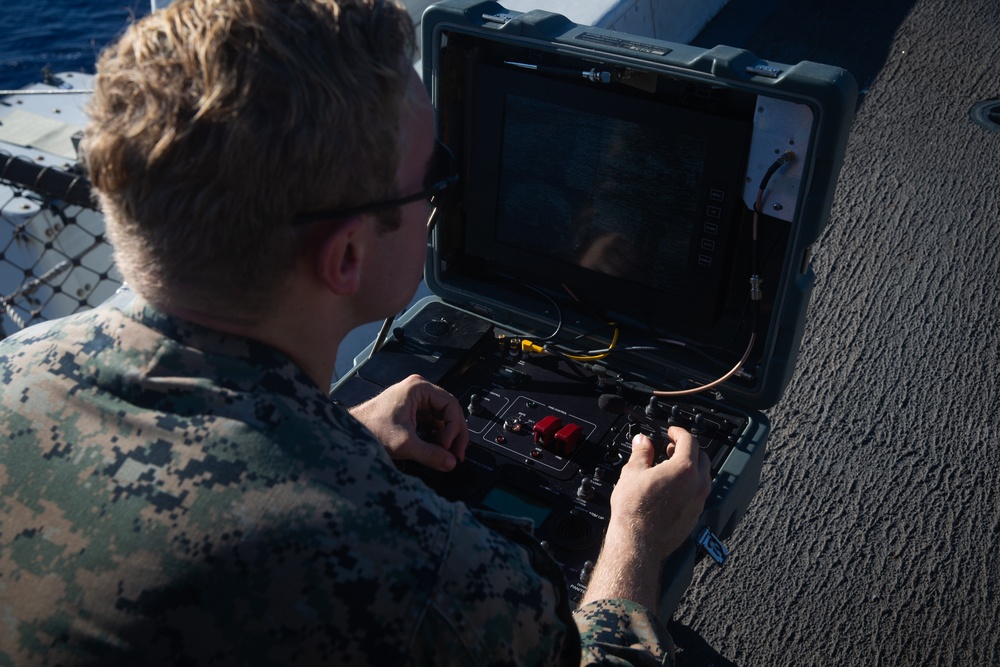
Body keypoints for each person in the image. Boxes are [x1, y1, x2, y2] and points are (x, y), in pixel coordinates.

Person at [0, 0, 711, 664]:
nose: (440, 197)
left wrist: (343, 431)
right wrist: (636, 537)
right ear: (345, 257)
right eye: (436, 174)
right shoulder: (401, 564)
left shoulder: (14, 367)